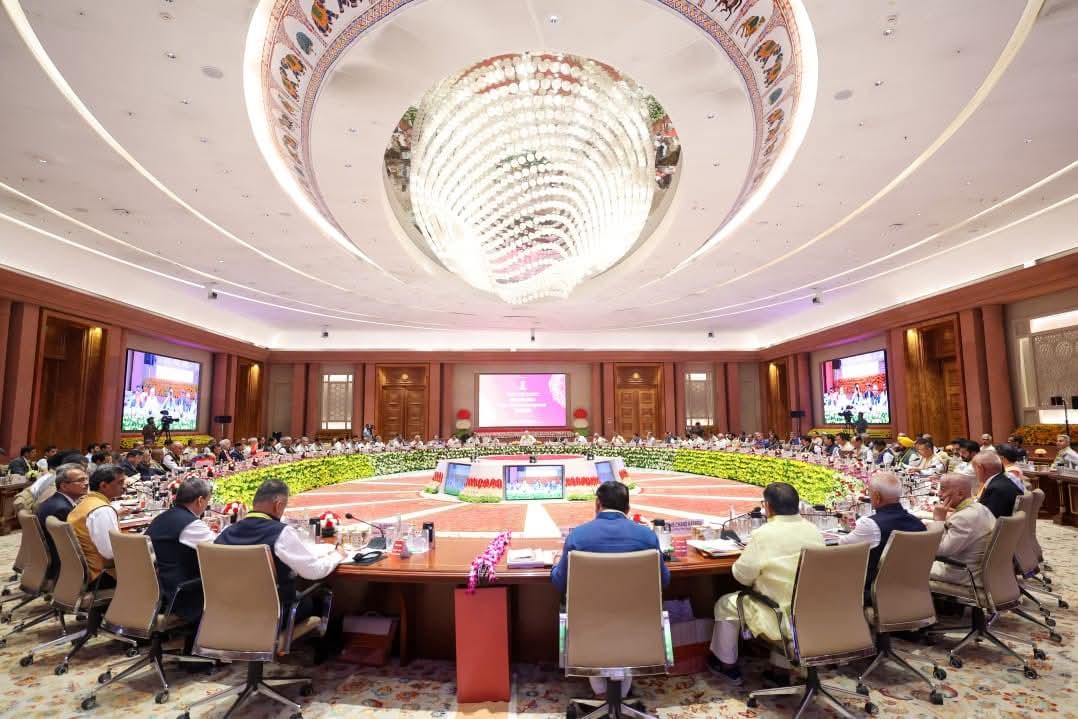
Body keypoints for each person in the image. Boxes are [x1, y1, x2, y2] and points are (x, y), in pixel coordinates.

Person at [551, 482, 669, 698]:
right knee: (628, 617)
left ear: (597, 504)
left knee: (576, 610)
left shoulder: (578, 536)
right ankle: (621, 694)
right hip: (636, 625)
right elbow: (664, 580)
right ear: (628, 508)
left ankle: (600, 692)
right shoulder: (648, 537)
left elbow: (560, 583)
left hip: (589, 627)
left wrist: (555, 565)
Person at [707, 483, 824, 685]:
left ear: (767, 507)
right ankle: (780, 671)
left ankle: (727, 666)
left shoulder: (764, 534)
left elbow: (742, 576)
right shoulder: (814, 531)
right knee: (786, 599)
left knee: (725, 604)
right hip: (812, 614)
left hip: (778, 616)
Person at [215, 479, 345, 622]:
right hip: (272, 615)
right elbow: (314, 571)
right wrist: (337, 555)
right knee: (316, 601)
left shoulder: (226, 532)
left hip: (227, 614)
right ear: (278, 505)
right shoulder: (281, 533)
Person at [838, 471, 925, 603]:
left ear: (877, 497)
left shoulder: (870, 525)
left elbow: (842, 546)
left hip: (874, 592)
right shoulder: (918, 523)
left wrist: (852, 527)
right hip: (910, 589)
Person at [147, 478, 215, 622]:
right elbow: (220, 551)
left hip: (156, 590)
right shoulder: (191, 525)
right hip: (179, 595)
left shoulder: (161, 518)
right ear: (200, 501)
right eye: (208, 501)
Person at [67, 465, 128, 589]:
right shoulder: (102, 510)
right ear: (103, 485)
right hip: (101, 576)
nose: (124, 486)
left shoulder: (87, 501)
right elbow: (111, 553)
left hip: (80, 573)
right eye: (120, 482)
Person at [929, 473, 996, 586]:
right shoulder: (980, 507)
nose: (939, 494)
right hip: (973, 568)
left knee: (906, 564)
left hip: (962, 573)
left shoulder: (964, 518)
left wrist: (938, 521)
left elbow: (939, 551)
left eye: (943, 489)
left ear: (960, 494)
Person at [35, 464, 89, 580]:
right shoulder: (61, 509)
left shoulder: (57, 500)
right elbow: (79, 541)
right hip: (67, 566)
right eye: (80, 480)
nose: (86, 483)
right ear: (64, 486)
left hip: (52, 560)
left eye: (86, 479)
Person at [974, 452, 1021, 518]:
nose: (974, 473)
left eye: (974, 469)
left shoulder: (996, 489)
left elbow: (987, 519)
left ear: (981, 468)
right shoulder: (1002, 480)